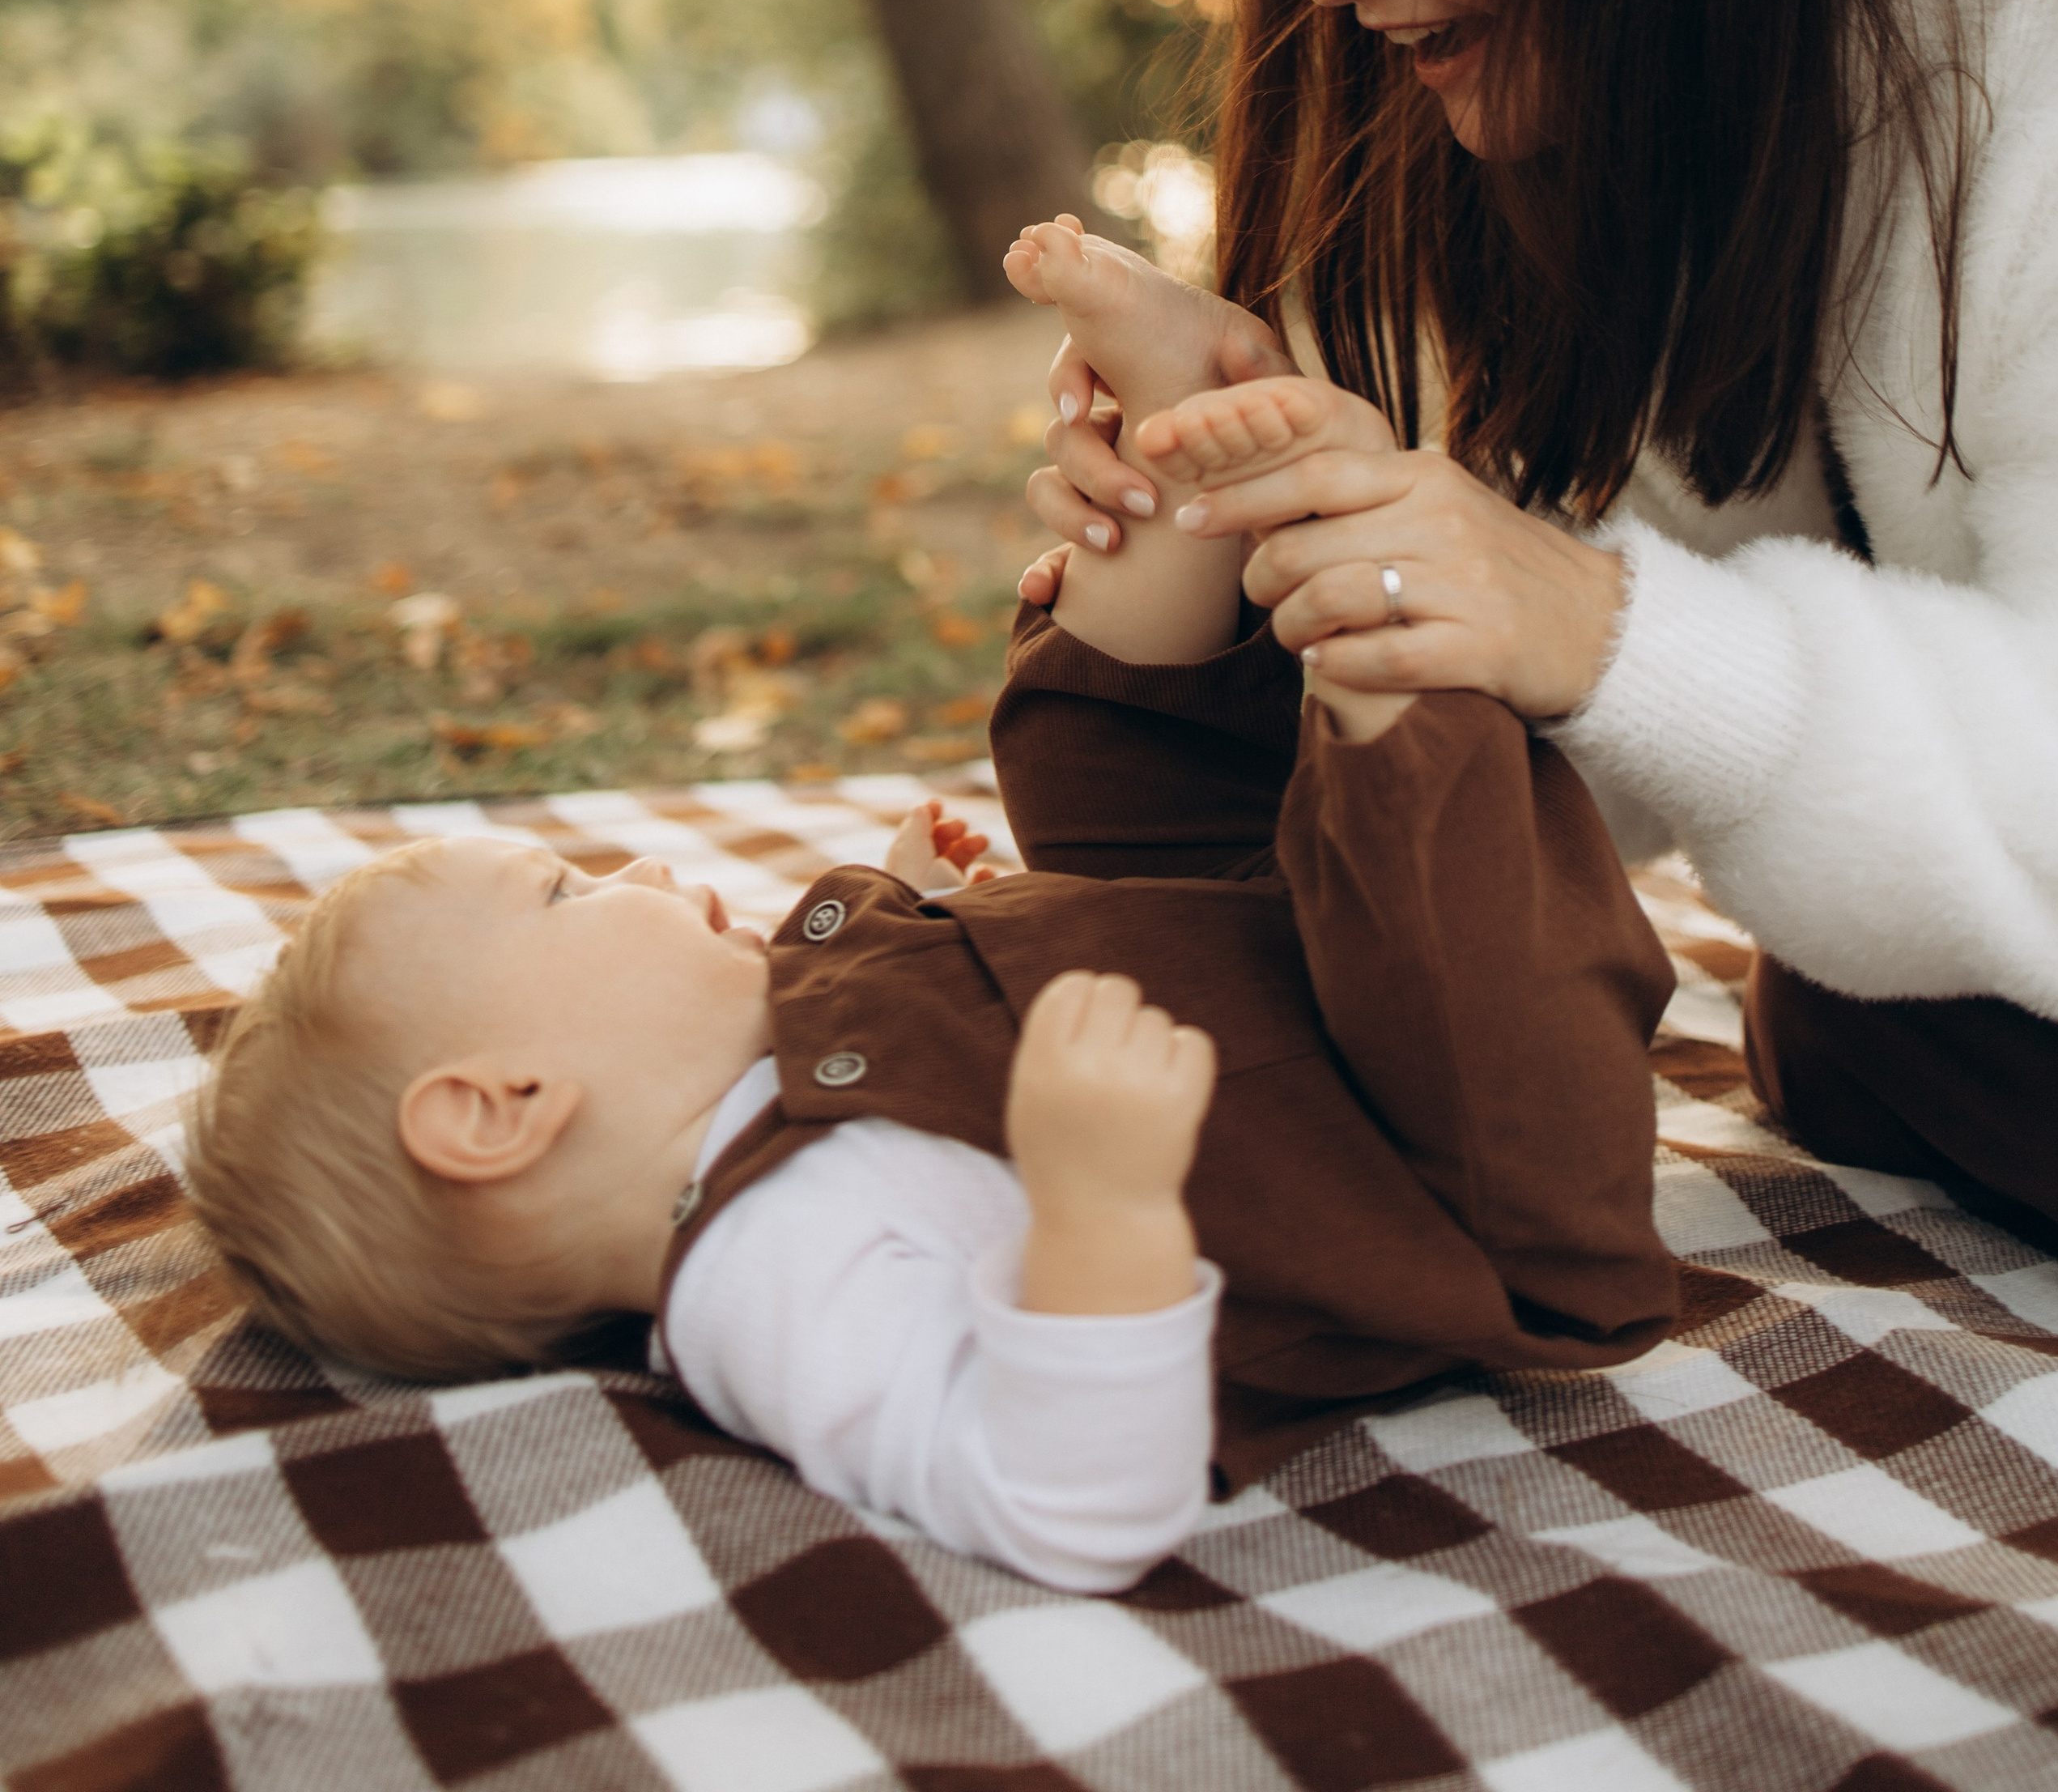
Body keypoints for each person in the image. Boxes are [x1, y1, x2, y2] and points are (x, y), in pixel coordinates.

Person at [185, 221, 1677, 1596]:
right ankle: (1367, 632)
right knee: (1420, 875)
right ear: (504, 1105)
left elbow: (902, 1070)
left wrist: (910, 902)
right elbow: (1069, 1506)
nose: (631, 870)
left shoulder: (744, 1072)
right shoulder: (769, 1293)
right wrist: (1098, 1202)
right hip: (1455, 1158)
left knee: (1078, 773)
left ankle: (1176, 465)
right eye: (568, 890)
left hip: (1263, 962)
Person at [1020, 0, 2058, 1258]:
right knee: (1852, 1026)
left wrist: (1591, 617)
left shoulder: (2042, 39)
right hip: (1947, 1029)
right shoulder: (1587, 115)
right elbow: (1440, 873)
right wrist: (1237, 511)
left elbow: (1631, 672)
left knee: (1864, 1021)